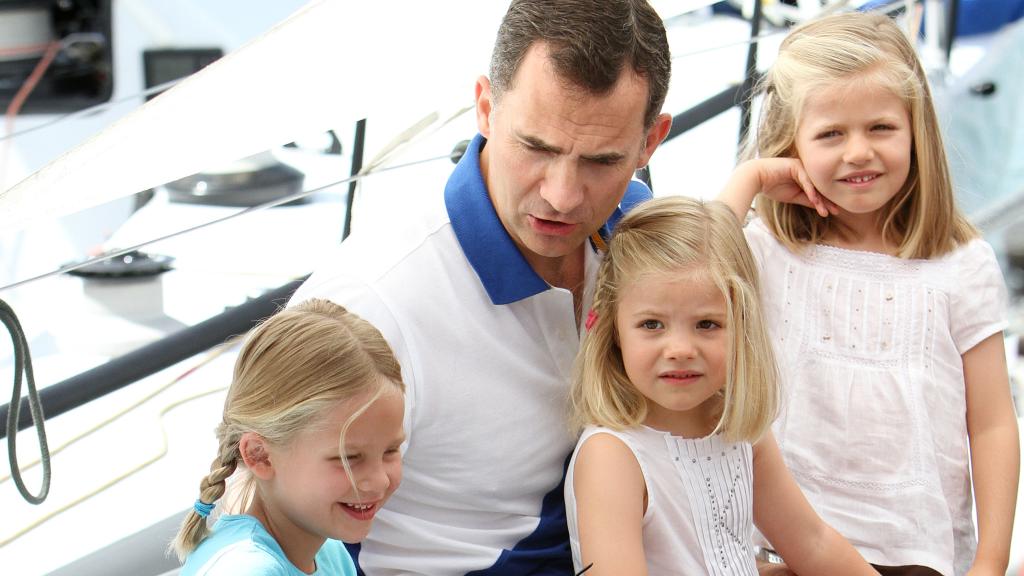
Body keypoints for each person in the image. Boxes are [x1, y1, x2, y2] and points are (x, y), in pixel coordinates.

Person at [288, 0, 673, 572]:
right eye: (537, 148)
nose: (562, 196)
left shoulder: (644, 236)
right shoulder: (372, 301)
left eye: (600, 161)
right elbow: (257, 527)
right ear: (486, 107)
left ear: (651, 142)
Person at [717, 11, 1020, 576]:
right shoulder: (767, 250)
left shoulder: (961, 264)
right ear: (792, 143)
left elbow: (992, 422)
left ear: (915, 131)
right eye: (831, 134)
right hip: (779, 550)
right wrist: (750, 180)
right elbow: (692, 272)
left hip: (914, 553)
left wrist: (991, 559)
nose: (858, 151)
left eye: (880, 128)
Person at [564, 196, 878, 575]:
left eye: (707, 324)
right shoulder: (613, 455)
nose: (680, 350)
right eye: (651, 325)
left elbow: (812, 542)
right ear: (614, 329)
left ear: (742, 326)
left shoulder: (738, 429)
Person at [171, 299, 406, 575]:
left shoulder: (330, 553)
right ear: (260, 455)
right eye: (349, 458)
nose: (379, 480)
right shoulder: (247, 570)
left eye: (391, 450)